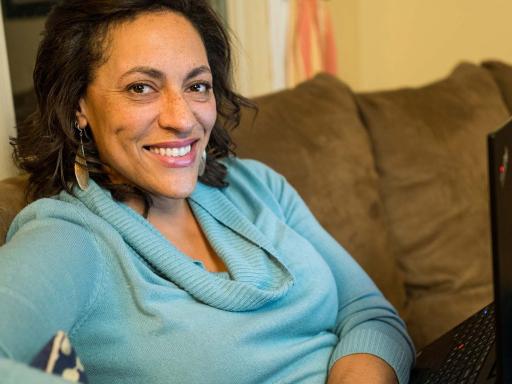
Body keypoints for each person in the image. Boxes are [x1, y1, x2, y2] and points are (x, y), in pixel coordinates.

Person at [0, 1, 415, 383]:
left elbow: (367, 313)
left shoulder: (257, 185)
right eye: (141, 87)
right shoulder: (67, 237)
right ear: (79, 106)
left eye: (197, 85)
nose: (182, 119)